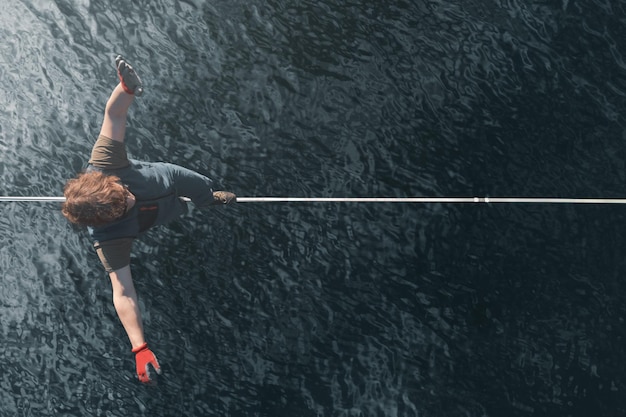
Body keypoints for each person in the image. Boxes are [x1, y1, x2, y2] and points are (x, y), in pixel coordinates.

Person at [62, 56, 236, 383]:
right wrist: (139, 346)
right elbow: (123, 293)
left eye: (122, 192)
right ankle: (200, 205)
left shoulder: (103, 162)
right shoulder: (108, 240)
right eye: (121, 205)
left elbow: (113, 114)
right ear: (105, 219)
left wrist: (126, 89)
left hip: (170, 178)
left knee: (203, 189)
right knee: (186, 209)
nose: (128, 197)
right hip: (160, 214)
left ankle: (209, 199)